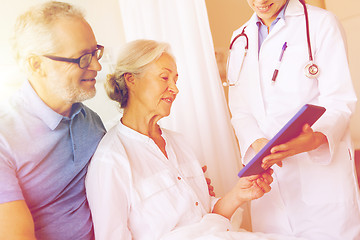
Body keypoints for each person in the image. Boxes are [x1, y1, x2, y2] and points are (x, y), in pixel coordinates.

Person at [85, 39, 308, 240]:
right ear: (131, 80)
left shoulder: (179, 143)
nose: (174, 88)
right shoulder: (111, 159)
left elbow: (207, 217)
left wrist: (240, 193)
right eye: (164, 77)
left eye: (175, 79)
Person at [226, 0, 360, 239]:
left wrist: (315, 138)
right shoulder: (240, 39)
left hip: (319, 176)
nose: (260, 1)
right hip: (269, 182)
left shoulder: (321, 23)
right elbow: (240, 110)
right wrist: (258, 143)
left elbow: (339, 101)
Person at [0, 1, 106, 239]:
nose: (97, 66)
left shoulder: (92, 123)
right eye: (83, 58)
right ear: (36, 65)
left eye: (95, 53)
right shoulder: (4, 138)